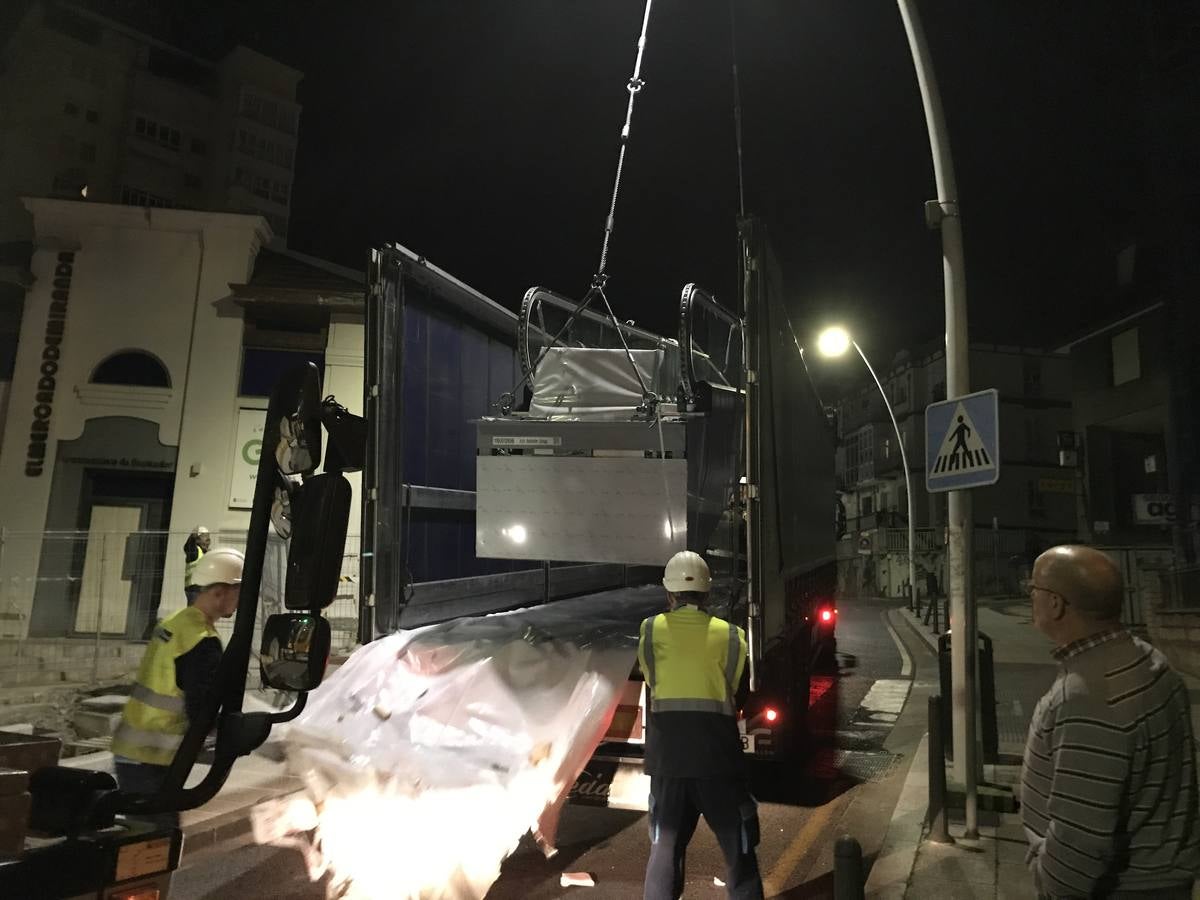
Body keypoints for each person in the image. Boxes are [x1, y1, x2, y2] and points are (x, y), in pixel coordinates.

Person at [1021, 544, 1200, 898]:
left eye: (1033, 589)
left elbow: (1080, 839)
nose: (1030, 597)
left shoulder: (1088, 696)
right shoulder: (1148, 659)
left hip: (1121, 888)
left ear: (1055, 603)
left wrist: (1048, 882)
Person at [639, 550, 763, 900]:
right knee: (739, 854)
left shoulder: (649, 631)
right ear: (708, 594)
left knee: (664, 852)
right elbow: (739, 695)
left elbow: (652, 682)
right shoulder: (732, 636)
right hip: (718, 762)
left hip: (668, 765)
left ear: (669, 594)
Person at [112, 547, 244, 827]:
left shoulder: (173, 622)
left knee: (141, 837)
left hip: (131, 747)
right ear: (219, 592)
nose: (240, 599)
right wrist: (239, 734)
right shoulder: (202, 642)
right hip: (153, 756)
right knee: (155, 844)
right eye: (237, 591)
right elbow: (201, 710)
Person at [183, 525, 211, 606]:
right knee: (193, 614)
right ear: (197, 540)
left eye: (209, 539)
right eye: (205, 538)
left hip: (200, 589)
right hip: (194, 589)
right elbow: (187, 547)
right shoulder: (194, 552)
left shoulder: (203, 553)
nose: (208, 542)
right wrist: (192, 536)